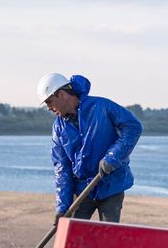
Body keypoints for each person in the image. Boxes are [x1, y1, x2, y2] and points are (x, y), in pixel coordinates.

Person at [37, 73, 142, 224]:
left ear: (61, 94)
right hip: (82, 191)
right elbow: (62, 168)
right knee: (73, 237)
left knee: (108, 236)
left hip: (111, 185)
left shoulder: (102, 106)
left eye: (49, 102)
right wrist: (62, 207)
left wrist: (113, 156)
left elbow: (133, 126)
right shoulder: (58, 128)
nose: (48, 108)